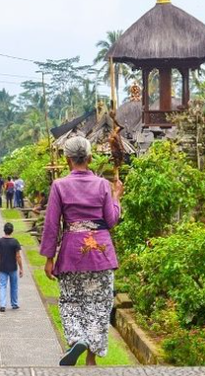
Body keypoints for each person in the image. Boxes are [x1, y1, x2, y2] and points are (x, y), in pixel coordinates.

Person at [39, 136, 124, 367]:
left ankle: (78, 338)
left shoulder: (59, 185)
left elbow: (51, 224)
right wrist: (117, 197)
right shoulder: (102, 185)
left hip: (71, 253)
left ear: (67, 160)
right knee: (100, 304)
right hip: (102, 252)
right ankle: (91, 358)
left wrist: (49, 258)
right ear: (89, 158)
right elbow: (111, 219)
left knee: (70, 301)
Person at [0, 222, 23, 312]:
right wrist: (21, 268)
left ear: (4, 230)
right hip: (13, 267)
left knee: (2, 286)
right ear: (12, 231)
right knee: (14, 286)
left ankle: (2, 304)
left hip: (2, 267)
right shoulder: (15, 242)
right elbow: (18, 256)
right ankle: (14, 303)